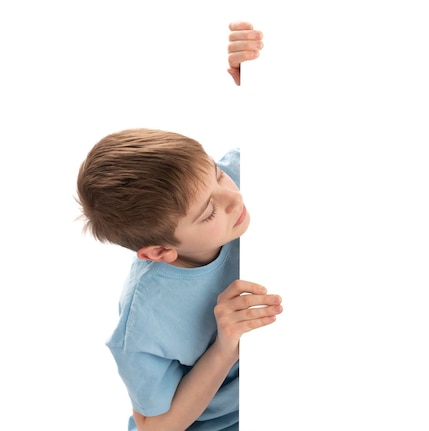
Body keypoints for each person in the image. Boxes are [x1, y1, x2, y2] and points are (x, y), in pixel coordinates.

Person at [76, 22, 281, 431]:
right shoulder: (145, 316)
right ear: (160, 251)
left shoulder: (233, 180)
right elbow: (154, 427)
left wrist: (261, 78)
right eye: (207, 213)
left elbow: (287, 133)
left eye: (216, 175)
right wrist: (226, 345)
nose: (233, 197)